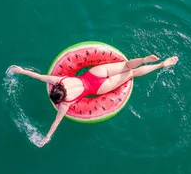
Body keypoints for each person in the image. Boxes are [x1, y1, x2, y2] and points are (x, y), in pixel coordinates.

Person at [10, 54, 179, 147]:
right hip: (95, 73)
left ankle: (160, 65)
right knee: (127, 65)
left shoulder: (66, 104)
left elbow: (57, 121)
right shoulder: (58, 80)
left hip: (98, 88)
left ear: (59, 101)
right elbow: (39, 77)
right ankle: (143, 60)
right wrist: (22, 71)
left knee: (132, 75)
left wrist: (47, 137)